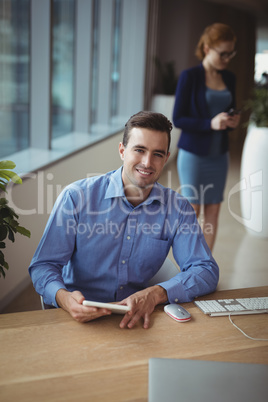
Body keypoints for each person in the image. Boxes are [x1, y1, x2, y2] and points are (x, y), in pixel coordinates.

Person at [29, 111, 219, 329]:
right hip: (76, 320)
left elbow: (206, 270)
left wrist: (156, 293)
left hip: (136, 319)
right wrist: (63, 298)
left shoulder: (178, 208)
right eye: (139, 150)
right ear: (122, 150)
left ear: (166, 158)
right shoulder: (76, 197)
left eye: (157, 154)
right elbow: (43, 266)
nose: (147, 163)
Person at [173, 23, 241, 251]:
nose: (227, 58)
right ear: (207, 48)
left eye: (231, 53)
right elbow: (178, 118)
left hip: (218, 155)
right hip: (193, 155)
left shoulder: (229, 78)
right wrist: (209, 123)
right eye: (223, 53)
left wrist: (232, 122)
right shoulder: (189, 77)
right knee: (193, 211)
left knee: (213, 211)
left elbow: (229, 110)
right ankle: (187, 264)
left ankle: (204, 265)